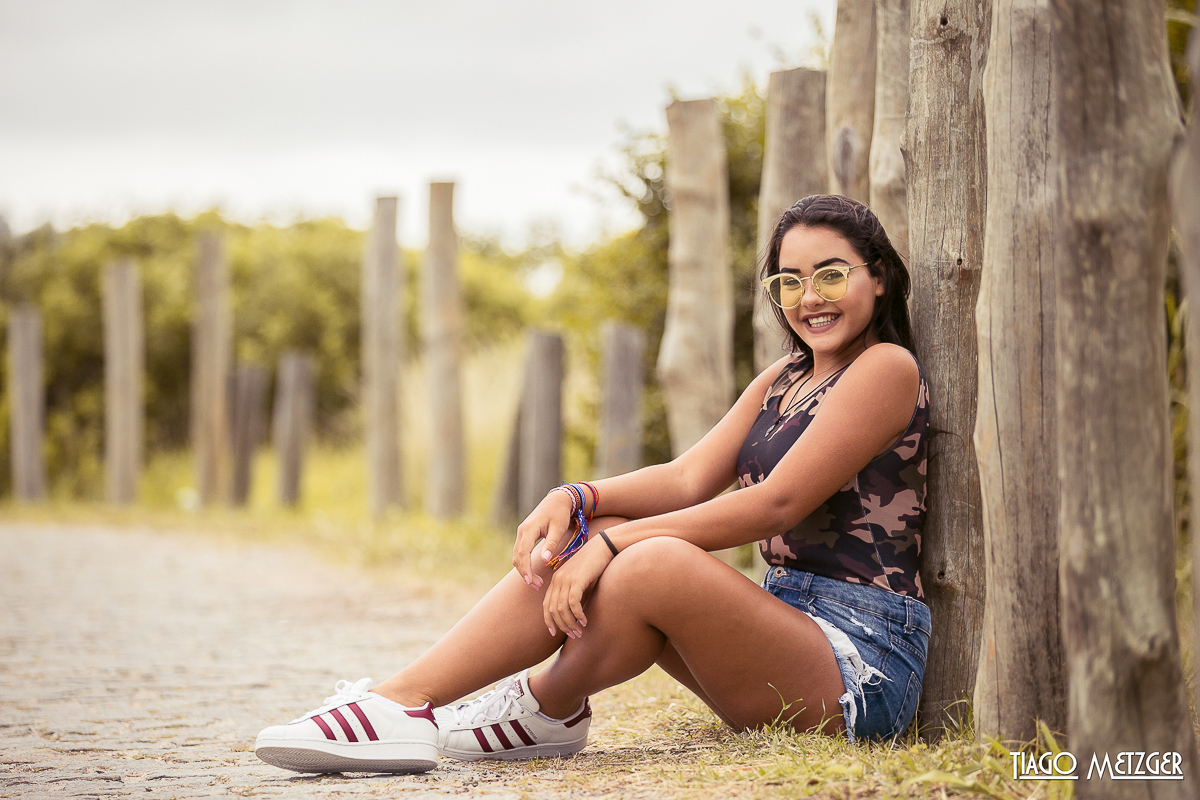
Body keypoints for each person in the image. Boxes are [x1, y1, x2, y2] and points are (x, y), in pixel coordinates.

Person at [253, 194, 931, 774]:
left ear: (876, 278)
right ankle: (407, 700)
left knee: (646, 559)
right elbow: (688, 477)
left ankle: (544, 699)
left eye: (830, 276)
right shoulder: (784, 379)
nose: (808, 298)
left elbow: (775, 503)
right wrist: (577, 498)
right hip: (783, 631)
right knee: (601, 532)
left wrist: (614, 548)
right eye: (788, 281)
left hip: (859, 665)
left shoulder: (885, 368)